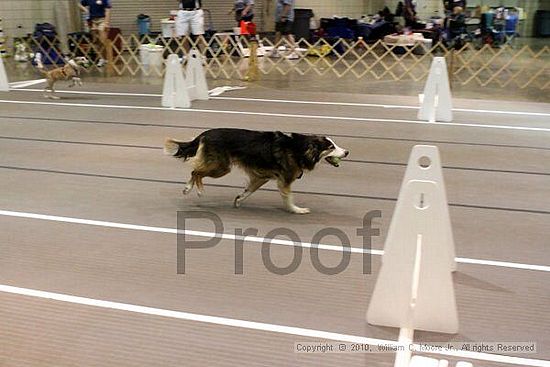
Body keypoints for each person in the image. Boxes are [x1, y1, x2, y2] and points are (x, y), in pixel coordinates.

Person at [79, 0, 112, 67]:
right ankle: (102, 58)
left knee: (102, 40)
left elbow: (108, 10)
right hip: (93, 21)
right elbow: (80, 4)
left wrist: (106, 23)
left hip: (102, 20)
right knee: (96, 41)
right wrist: (85, 10)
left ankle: (108, 58)